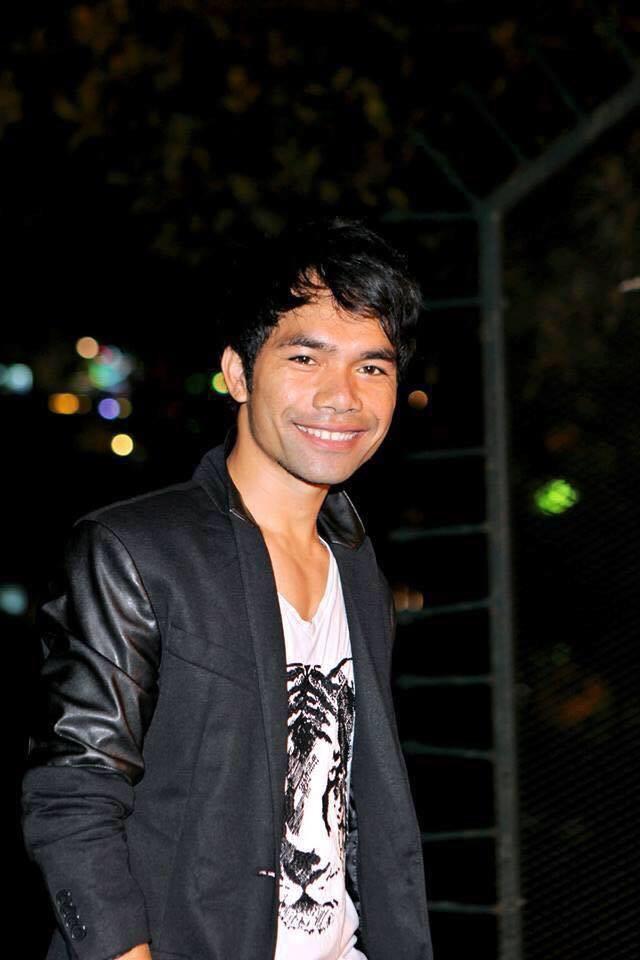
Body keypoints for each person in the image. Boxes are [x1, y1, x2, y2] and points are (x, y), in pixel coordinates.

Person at [21, 216, 434, 960]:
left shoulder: (358, 569)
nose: (342, 396)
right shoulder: (137, 551)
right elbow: (73, 795)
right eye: (306, 357)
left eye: (371, 368)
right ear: (239, 374)